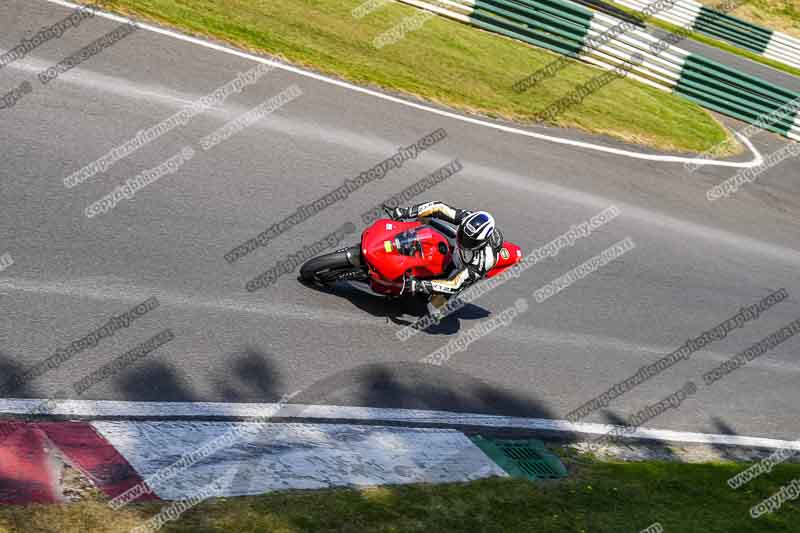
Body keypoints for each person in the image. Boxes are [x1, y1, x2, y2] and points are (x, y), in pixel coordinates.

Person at [385, 201, 504, 302]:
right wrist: (405, 212)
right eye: (464, 234)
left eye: (470, 241)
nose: (464, 240)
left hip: (465, 265)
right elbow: (438, 208)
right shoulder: (468, 219)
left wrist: (420, 286)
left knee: (436, 305)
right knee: (424, 220)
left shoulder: (484, 260)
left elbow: (454, 285)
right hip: (456, 244)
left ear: (481, 243)